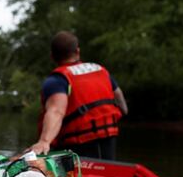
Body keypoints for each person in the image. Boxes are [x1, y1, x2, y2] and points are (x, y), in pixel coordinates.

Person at [28, 31, 128, 160]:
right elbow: (120, 99)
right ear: (78, 51)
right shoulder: (100, 70)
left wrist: (44, 141)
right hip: (108, 136)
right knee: (105, 170)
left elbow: (57, 111)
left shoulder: (57, 79)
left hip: (78, 143)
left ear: (52, 56)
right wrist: (117, 113)